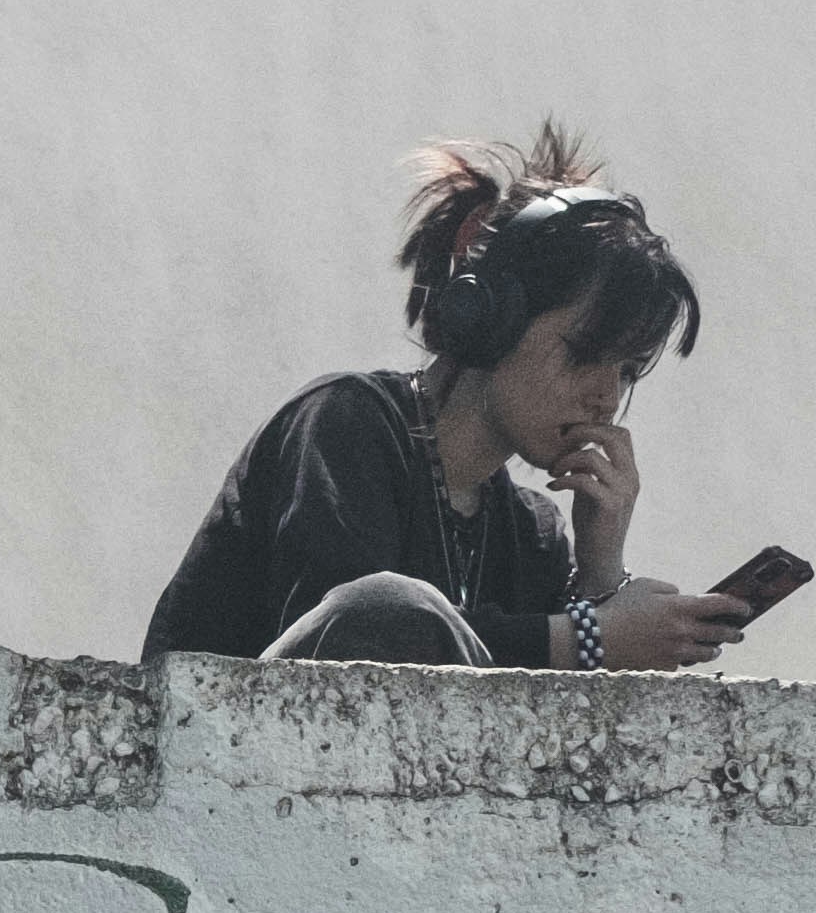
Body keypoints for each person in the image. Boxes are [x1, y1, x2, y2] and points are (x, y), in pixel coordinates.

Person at [145, 129, 747, 673]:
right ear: (494, 319)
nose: (606, 396)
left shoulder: (531, 533)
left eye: (628, 371)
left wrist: (598, 576)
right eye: (584, 355)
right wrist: (589, 637)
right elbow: (354, 648)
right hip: (239, 773)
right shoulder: (346, 423)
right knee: (390, 606)